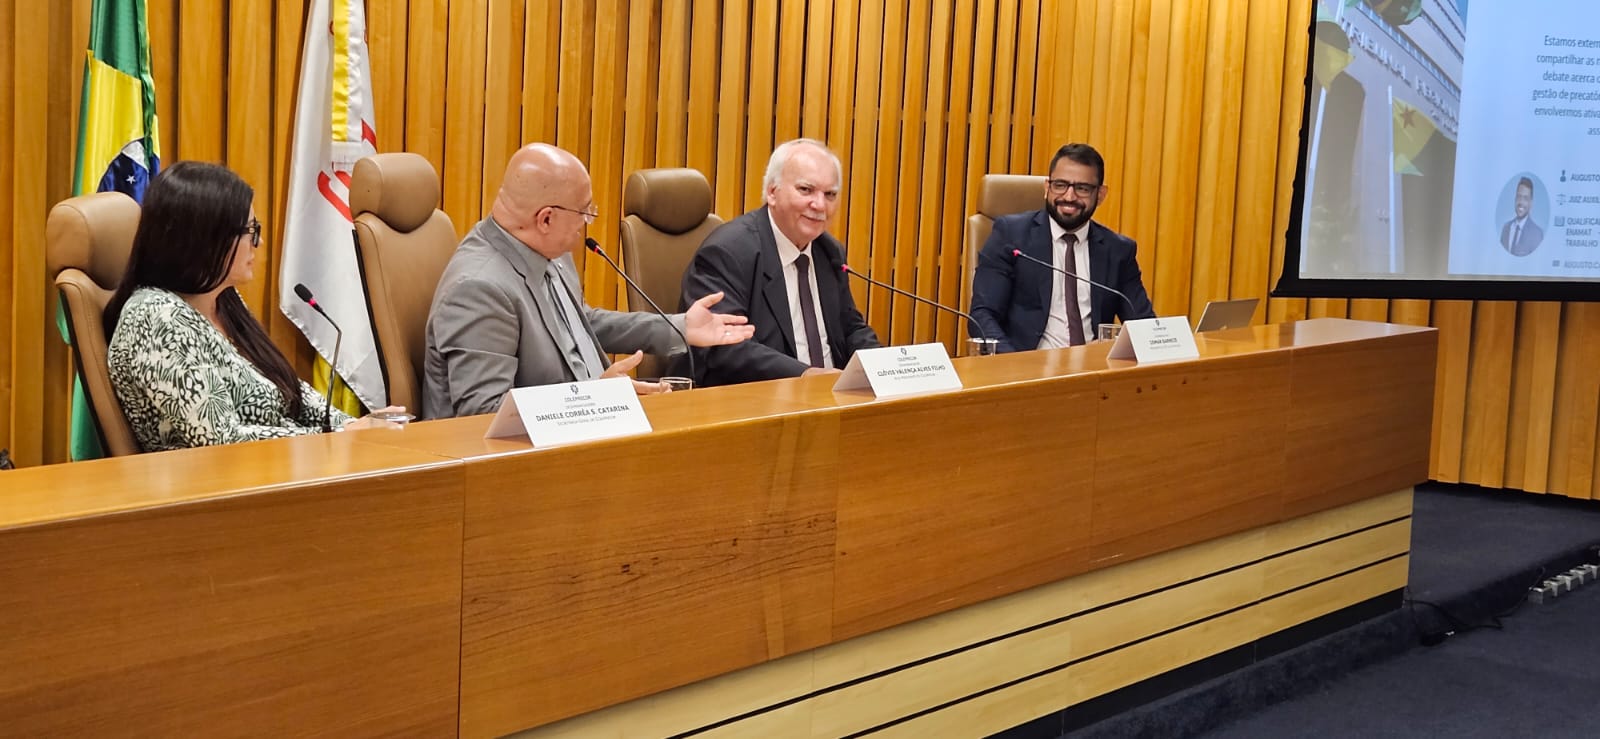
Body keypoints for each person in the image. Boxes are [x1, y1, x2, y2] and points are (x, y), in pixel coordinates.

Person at [422, 143, 755, 419]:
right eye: (584, 212)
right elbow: (483, 415)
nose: (587, 222)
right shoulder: (480, 288)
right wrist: (593, 399)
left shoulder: (545, 250)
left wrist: (679, 328)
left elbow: (581, 322)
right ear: (546, 219)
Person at [105, 161, 401, 452]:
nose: (258, 243)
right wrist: (336, 437)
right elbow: (221, 441)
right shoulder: (156, 320)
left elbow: (291, 392)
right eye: (250, 230)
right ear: (205, 238)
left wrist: (351, 425)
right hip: (217, 479)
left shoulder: (224, 301)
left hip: (276, 467)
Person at [678, 138, 879, 386]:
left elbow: (851, 328)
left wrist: (884, 368)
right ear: (772, 192)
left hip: (831, 396)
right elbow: (726, 347)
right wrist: (805, 376)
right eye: (806, 190)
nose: (820, 205)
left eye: (830, 194)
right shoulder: (727, 252)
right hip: (756, 396)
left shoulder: (828, 251)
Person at [969, 143, 1155, 352]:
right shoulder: (1011, 236)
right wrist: (1017, 365)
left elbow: (1143, 326)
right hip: (1029, 364)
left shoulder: (1118, 250)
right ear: (1047, 188)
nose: (1069, 197)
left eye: (1082, 188)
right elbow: (983, 316)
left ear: (1100, 195)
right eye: (1060, 185)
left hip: (1094, 367)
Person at [1500, 177, 1543, 256]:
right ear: (1515, 198)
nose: (1521, 202)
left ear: (1531, 203)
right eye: (1519, 196)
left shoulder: (1537, 234)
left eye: (1525, 198)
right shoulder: (1505, 228)